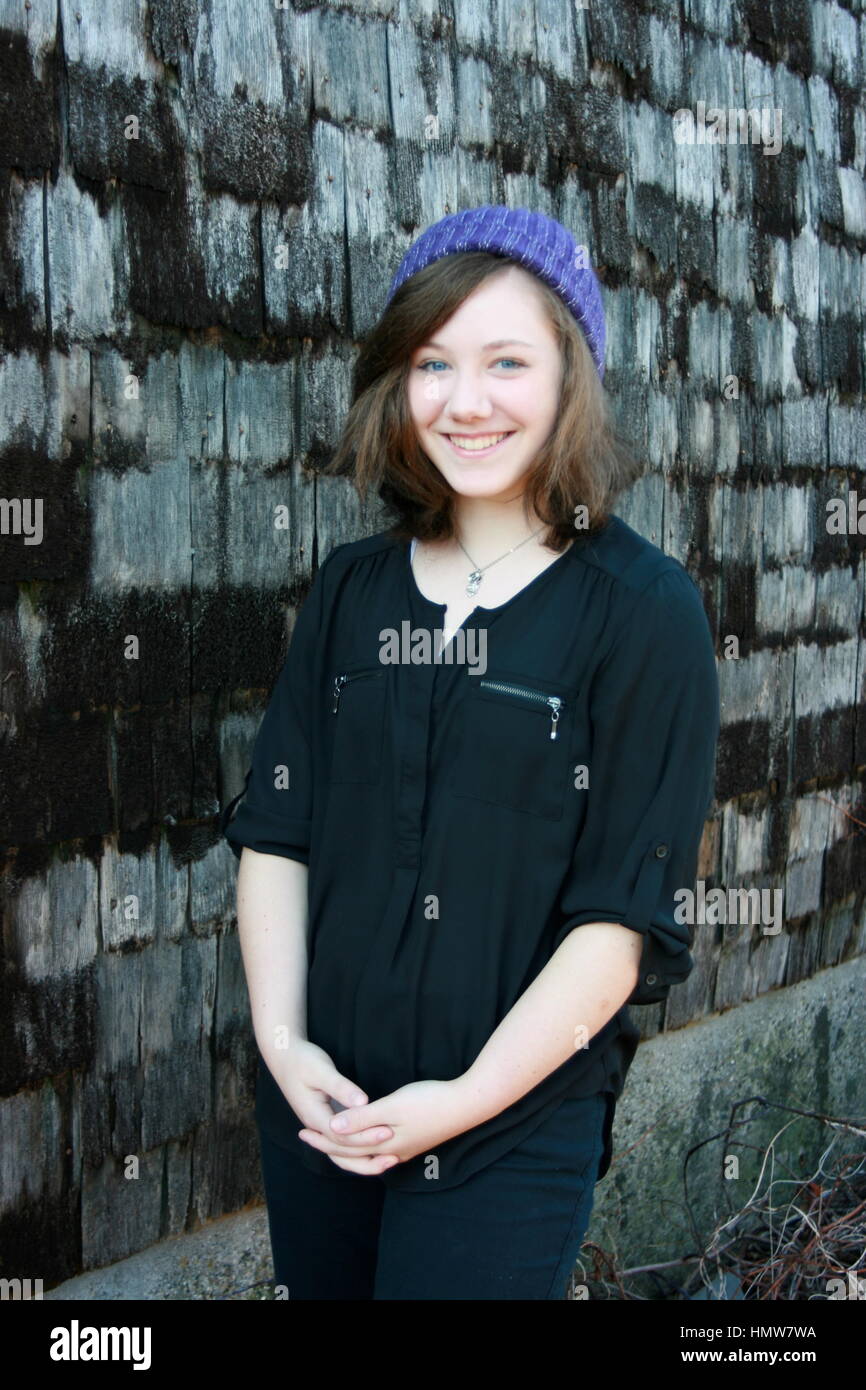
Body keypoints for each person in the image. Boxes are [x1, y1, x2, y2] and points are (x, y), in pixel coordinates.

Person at [219, 205, 720, 1300]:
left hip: (505, 1131)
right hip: (325, 1106)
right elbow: (276, 834)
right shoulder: (352, 592)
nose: (465, 399)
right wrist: (284, 1044)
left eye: (505, 360)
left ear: (568, 375)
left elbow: (618, 924)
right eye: (432, 361)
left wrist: (460, 1101)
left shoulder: (641, 613)